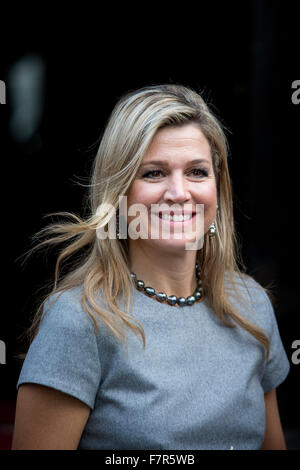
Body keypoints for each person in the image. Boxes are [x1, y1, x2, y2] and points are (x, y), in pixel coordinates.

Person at [12, 84, 290, 450]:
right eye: (154, 173)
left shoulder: (251, 305)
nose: (178, 192)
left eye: (197, 172)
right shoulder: (79, 319)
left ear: (218, 190)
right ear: (120, 193)